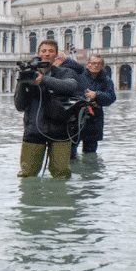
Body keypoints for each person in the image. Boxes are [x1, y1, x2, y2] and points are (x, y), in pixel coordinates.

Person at [14, 39, 82, 178]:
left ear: (56, 55)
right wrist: (23, 83)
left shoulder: (66, 72)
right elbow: (19, 106)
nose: (47, 54)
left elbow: (70, 86)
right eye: (44, 51)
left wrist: (43, 79)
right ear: (38, 53)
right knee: (27, 174)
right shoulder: (29, 73)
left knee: (62, 174)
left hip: (61, 131)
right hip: (33, 131)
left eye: (51, 51)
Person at [71, 55, 117, 157]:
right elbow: (72, 92)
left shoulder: (107, 80)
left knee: (90, 153)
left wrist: (97, 95)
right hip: (77, 119)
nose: (95, 66)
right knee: (70, 151)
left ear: (102, 66)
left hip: (95, 119)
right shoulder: (78, 77)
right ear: (88, 64)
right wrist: (85, 99)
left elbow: (112, 98)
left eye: (99, 64)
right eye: (93, 63)